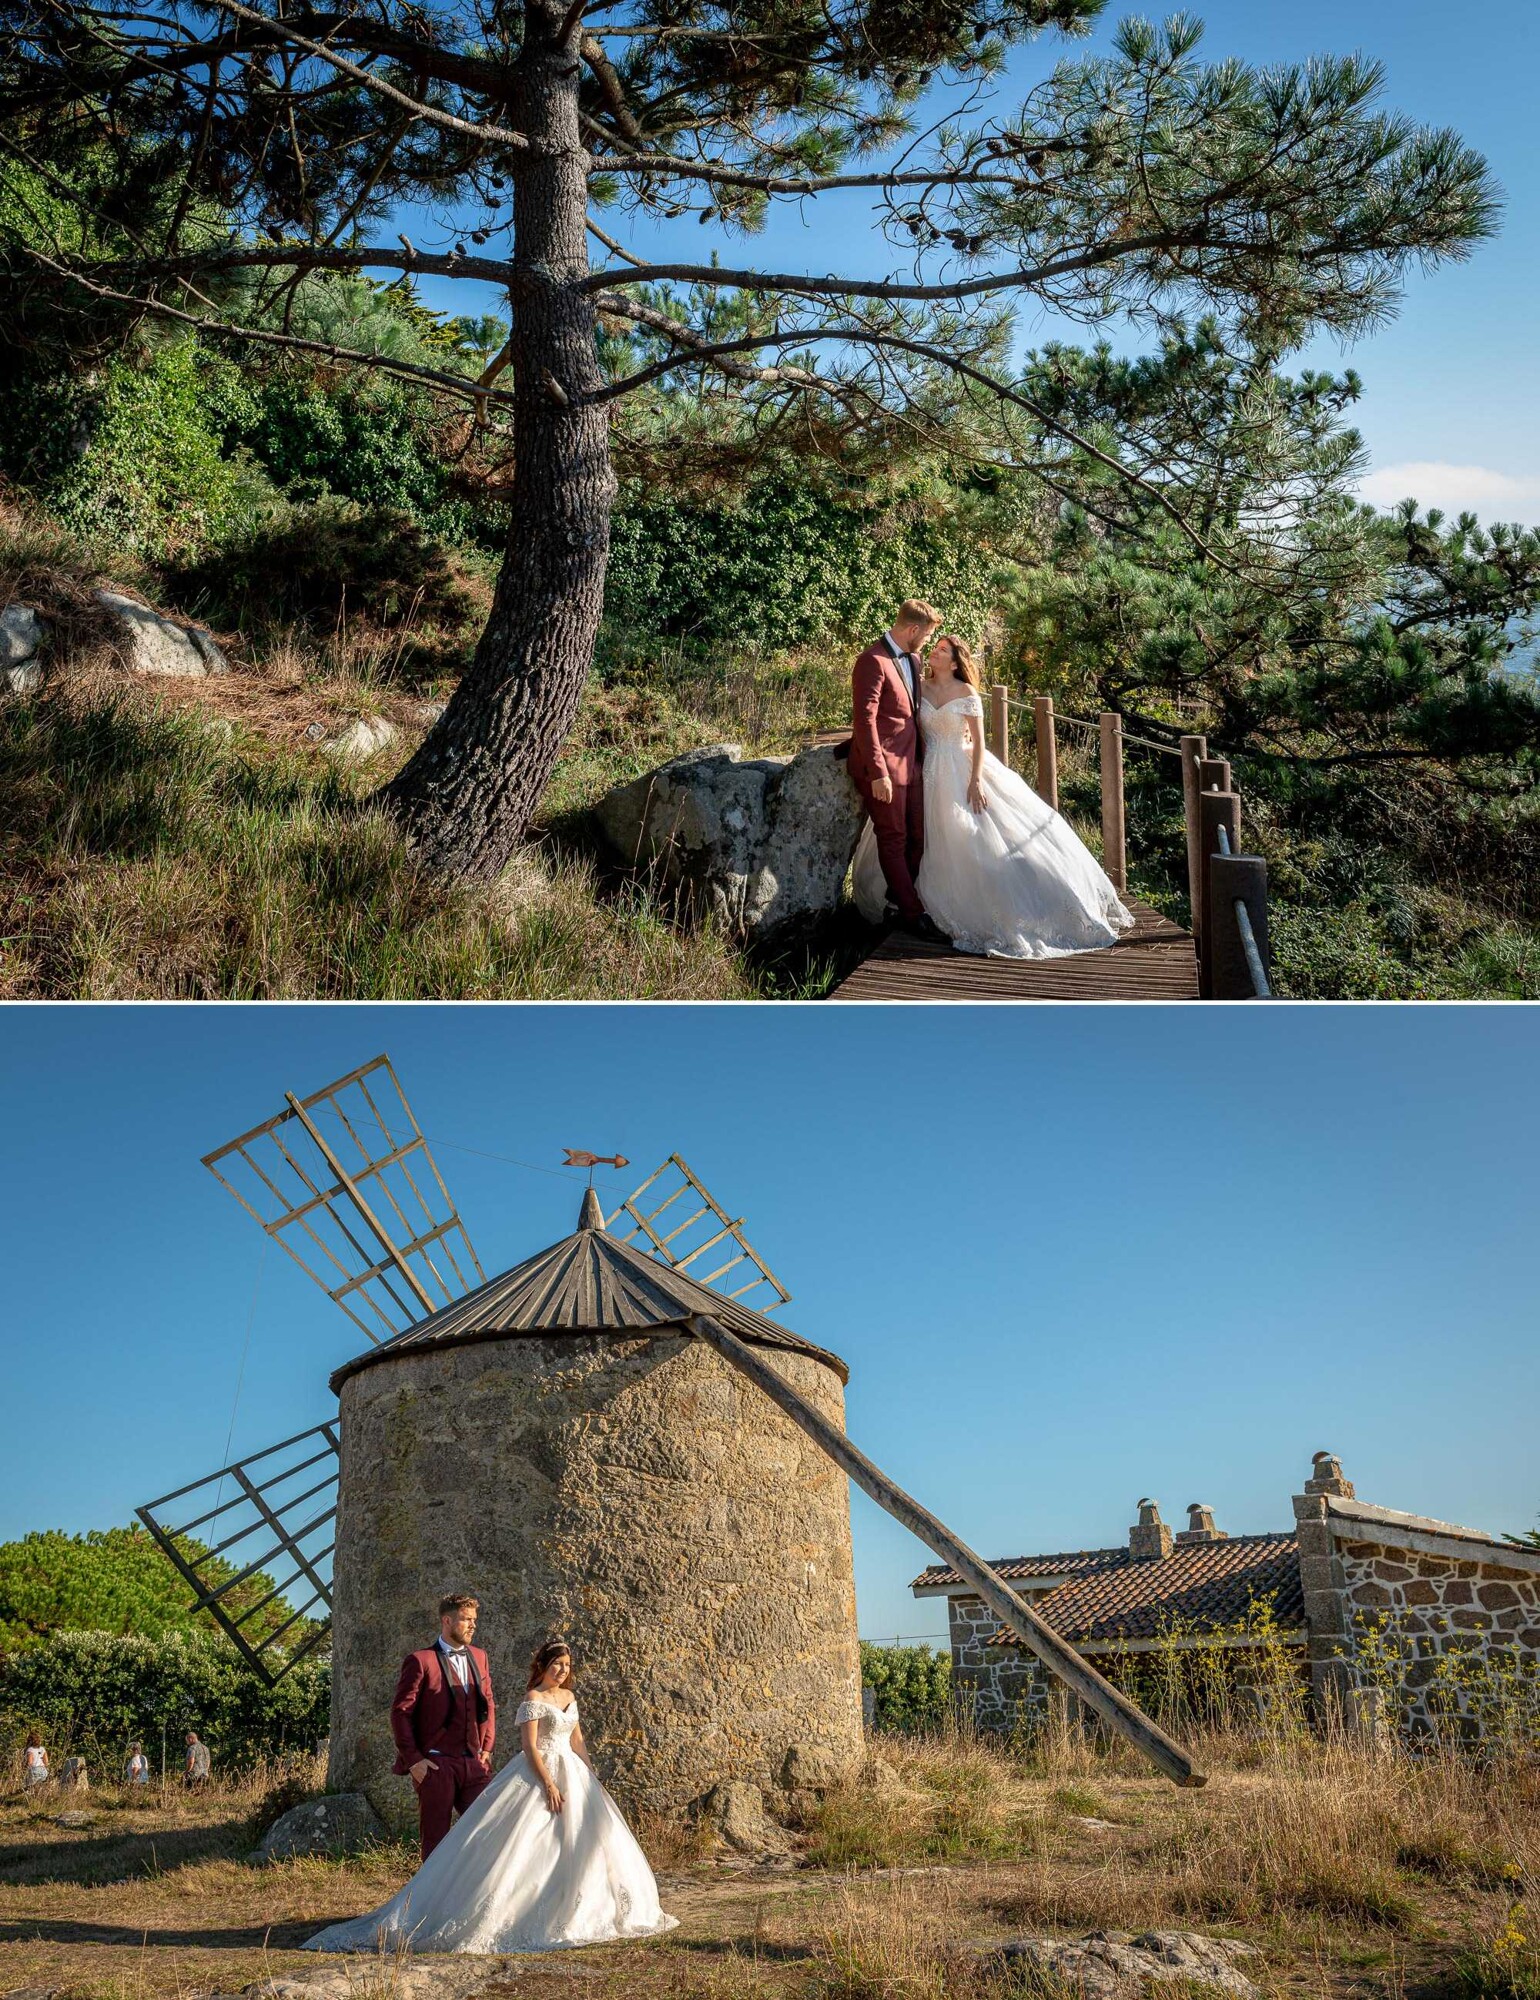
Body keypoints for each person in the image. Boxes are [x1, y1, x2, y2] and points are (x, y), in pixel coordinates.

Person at [304, 1639, 677, 1955]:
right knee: (518, 1843)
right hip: (539, 1772)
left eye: (566, 1666)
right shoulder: (533, 1698)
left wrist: (590, 1770)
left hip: (574, 1773)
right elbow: (530, 1748)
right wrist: (548, 1783)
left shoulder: (569, 1696)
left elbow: (576, 1738)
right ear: (543, 1666)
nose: (562, 1671)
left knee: (588, 1839)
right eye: (556, 1665)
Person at [854, 633, 1134, 958]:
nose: (934, 652)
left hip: (962, 766)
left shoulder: (966, 692)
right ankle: (908, 902)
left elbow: (979, 742)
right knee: (922, 835)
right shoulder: (920, 685)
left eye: (942, 650)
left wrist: (975, 781)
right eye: (935, 647)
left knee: (969, 832)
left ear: (956, 661)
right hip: (926, 769)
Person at [847, 599, 949, 945]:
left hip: (913, 764)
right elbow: (864, 721)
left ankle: (895, 902)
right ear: (913, 630)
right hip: (884, 769)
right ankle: (912, 915)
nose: (927, 640)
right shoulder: (871, 661)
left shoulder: (914, 659)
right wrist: (878, 772)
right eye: (928, 634)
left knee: (919, 836)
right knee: (892, 838)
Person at [385, 1591, 496, 1862]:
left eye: (474, 1620)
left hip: (473, 1762)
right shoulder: (420, 1660)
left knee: (489, 1829)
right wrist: (415, 1761)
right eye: (466, 1619)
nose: (473, 1625)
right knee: (435, 1842)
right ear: (446, 1621)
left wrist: (486, 1748)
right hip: (436, 1764)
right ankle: (429, 1903)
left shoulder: (479, 1656)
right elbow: (401, 1713)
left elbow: (488, 1703)